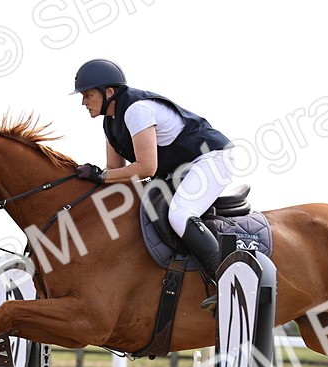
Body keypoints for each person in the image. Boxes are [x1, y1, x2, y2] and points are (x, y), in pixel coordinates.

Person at [72, 58, 233, 309]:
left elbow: (146, 168)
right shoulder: (109, 122)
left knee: (180, 215)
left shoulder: (137, 110)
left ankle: (228, 284)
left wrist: (100, 176)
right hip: (179, 169)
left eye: (88, 95)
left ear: (109, 92)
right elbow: (116, 170)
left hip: (211, 158)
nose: (83, 102)